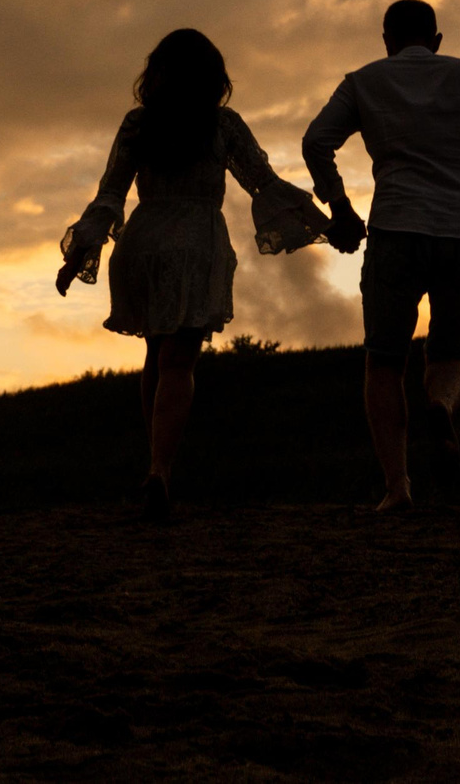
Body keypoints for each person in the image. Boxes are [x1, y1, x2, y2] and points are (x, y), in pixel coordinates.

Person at [57, 27, 328, 518]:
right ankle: (161, 471)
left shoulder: (140, 124)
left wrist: (81, 250)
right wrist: (321, 220)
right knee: (178, 364)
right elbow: (263, 184)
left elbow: (110, 194)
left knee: (155, 356)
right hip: (196, 243)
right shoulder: (223, 125)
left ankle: (154, 469)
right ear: (214, 76)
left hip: (144, 244)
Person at [303, 0, 460, 511]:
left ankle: (397, 487)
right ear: (437, 40)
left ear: (386, 40)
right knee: (452, 356)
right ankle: (441, 402)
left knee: (384, 363)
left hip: (397, 230)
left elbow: (317, 141)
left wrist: (340, 208)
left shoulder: (364, 81)